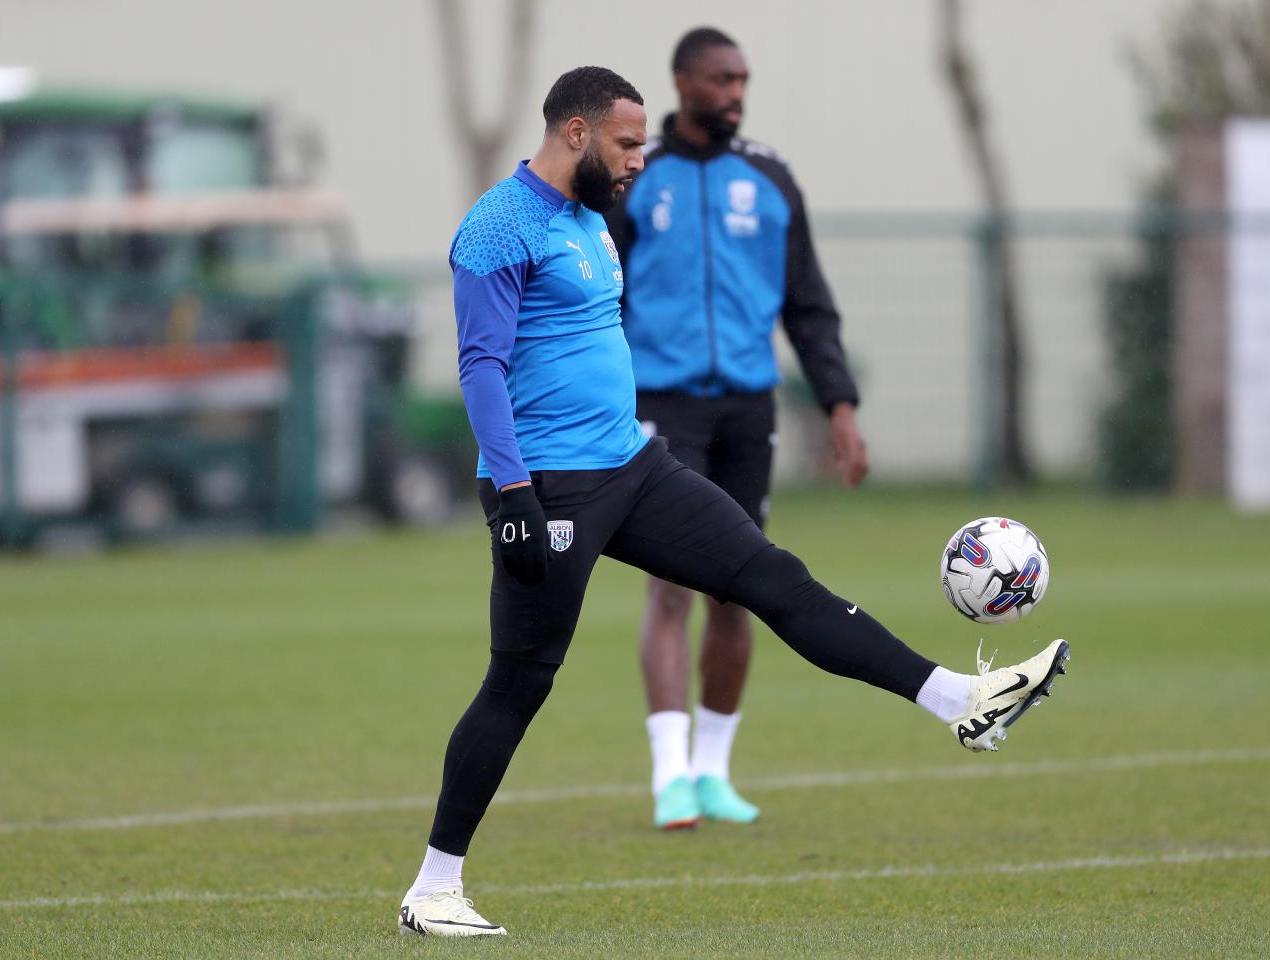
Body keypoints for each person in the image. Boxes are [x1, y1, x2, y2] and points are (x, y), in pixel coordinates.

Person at [396, 64, 1069, 939]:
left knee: (770, 576)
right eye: (627, 142)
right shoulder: (496, 228)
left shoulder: (593, 221)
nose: (641, 159)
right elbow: (480, 367)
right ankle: (433, 888)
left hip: (634, 467)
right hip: (548, 487)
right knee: (520, 680)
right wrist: (512, 489)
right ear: (574, 132)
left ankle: (959, 702)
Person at [604, 27, 869, 830]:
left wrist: (840, 405)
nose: (735, 93)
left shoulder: (771, 177)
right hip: (663, 405)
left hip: (748, 408)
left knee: (738, 588)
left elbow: (809, 304)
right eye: (721, 79)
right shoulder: (634, 181)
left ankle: (714, 772)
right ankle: (668, 776)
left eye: (742, 79)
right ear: (683, 82)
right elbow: (598, 302)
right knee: (672, 583)